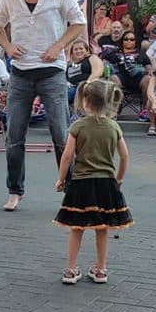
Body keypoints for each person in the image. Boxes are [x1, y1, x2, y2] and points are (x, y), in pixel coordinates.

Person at [0, 0, 86, 211]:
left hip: (51, 71)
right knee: (14, 135)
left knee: (60, 133)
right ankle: (14, 190)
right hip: (21, 72)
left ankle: (71, 189)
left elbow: (78, 23)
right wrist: (8, 47)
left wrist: (59, 46)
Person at [53, 79, 132, 285]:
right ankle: (101, 269)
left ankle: (70, 270)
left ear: (85, 101)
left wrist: (61, 178)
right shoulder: (113, 126)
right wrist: (120, 177)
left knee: (76, 227)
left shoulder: (77, 126)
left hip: (81, 182)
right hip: (106, 183)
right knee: (102, 226)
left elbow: (67, 155)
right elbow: (124, 156)